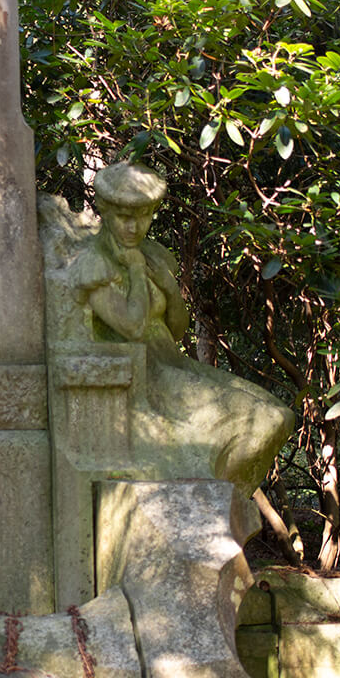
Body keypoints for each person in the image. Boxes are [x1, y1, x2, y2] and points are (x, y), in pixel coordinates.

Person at [73, 161, 295, 496]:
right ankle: (205, 507)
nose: (134, 227)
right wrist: (134, 271)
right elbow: (133, 328)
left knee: (281, 416)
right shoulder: (94, 263)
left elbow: (177, 329)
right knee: (264, 424)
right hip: (142, 376)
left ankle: (215, 507)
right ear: (105, 210)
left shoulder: (154, 254)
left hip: (172, 362)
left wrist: (169, 286)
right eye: (124, 216)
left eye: (144, 216)